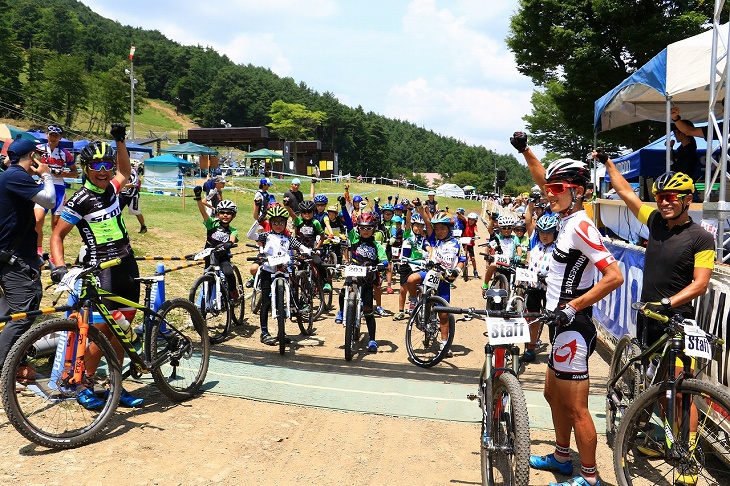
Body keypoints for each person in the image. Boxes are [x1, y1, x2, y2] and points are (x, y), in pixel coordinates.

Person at [510, 131, 624, 486]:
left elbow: (614, 275)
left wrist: (573, 306)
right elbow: (543, 177)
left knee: (577, 408)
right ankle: (562, 457)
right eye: (550, 188)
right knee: (549, 393)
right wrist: (526, 150)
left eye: (558, 189)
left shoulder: (581, 225)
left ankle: (589, 478)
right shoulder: (564, 216)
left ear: (578, 191)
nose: (549, 193)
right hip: (558, 322)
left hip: (574, 324)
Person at [601, 152, 714, 485]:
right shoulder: (655, 222)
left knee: (681, 390)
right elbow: (627, 194)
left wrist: (669, 302)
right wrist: (608, 164)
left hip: (677, 319)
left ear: (687, 200)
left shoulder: (701, 237)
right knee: (658, 383)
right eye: (661, 197)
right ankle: (660, 441)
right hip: (649, 316)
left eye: (671, 198)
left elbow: (701, 283)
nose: (664, 203)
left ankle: (687, 457)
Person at [50, 125, 144, 410]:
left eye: (107, 165)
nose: (103, 172)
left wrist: (120, 141)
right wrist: (59, 266)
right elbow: (56, 235)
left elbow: (125, 173)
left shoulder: (112, 188)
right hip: (101, 271)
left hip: (127, 265)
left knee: (122, 331)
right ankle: (85, 383)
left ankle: (115, 385)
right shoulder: (80, 200)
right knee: (102, 331)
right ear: (85, 167)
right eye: (96, 166)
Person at [0, 138, 55, 374]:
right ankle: (4, 366)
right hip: (13, 258)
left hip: (13, 253)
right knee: (23, 314)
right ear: (32, 156)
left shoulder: (9, 176)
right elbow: (50, 201)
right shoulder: (16, 176)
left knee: (8, 311)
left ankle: (15, 359)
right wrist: (47, 175)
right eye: (38, 156)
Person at [405, 208, 464, 358]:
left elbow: (462, 261)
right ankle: (413, 301)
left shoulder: (457, 243)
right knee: (412, 279)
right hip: (431, 272)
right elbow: (427, 222)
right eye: (436, 229)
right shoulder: (433, 240)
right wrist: (420, 209)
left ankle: (445, 342)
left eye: (442, 229)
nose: (438, 231)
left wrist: (456, 271)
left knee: (444, 314)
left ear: (450, 228)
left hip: (444, 279)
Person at [254, 204, 311, 346]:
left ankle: (282, 331)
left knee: (285, 300)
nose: (278, 225)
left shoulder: (288, 238)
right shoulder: (266, 235)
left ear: (285, 223)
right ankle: (264, 332)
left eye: (281, 222)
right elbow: (251, 235)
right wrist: (258, 221)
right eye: (275, 222)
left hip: (284, 271)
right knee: (266, 302)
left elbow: (299, 245)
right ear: (270, 223)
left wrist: (308, 251)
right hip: (268, 270)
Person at [337, 211, 389, 353]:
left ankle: (372, 339)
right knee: (342, 292)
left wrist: (382, 264)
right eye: (362, 228)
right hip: (353, 276)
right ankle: (341, 311)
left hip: (367, 279)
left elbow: (384, 259)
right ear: (358, 228)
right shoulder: (354, 239)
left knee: (368, 311)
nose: (365, 231)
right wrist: (343, 206)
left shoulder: (376, 245)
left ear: (374, 228)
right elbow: (348, 222)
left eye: (369, 228)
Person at [34, 125, 78, 260]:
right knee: (38, 220)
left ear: (60, 137)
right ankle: (38, 251)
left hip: (58, 188)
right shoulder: (39, 150)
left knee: (56, 223)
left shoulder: (65, 153)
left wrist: (62, 173)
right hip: (42, 186)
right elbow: (30, 164)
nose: (53, 138)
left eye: (56, 136)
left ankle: (55, 253)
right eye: (51, 135)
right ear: (47, 135)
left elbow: (75, 173)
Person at [521, 213, 559, 363]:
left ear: (555, 233)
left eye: (549, 232)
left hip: (550, 289)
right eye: (542, 232)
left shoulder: (559, 247)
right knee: (533, 318)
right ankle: (530, 349)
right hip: (534, 288)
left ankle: (555, 351)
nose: (545, 235)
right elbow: (528, 220)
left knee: (552, 320)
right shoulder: (534, 242)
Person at [193, 187, 240, 299]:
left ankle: (233, 291)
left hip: (223, 257)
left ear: (233, 216)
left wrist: (229, 243)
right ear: (218, 214)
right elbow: (203, 212)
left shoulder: (233, 230)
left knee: (229, 273)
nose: (225, 215)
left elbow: (233, 238)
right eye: (222, 212)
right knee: (207, 279)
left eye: (228, 213)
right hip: (209, 256)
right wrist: (199, 198)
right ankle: (203, 306)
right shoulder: (211, 224)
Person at [119, 166, 148, 233]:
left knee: (136, 212)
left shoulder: (132, 171)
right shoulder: (117, 170)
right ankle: (119, 228)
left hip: (132, 196)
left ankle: (143, 226)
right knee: (116, 212)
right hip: (122, 195)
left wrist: (123, 185)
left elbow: (135, 183)